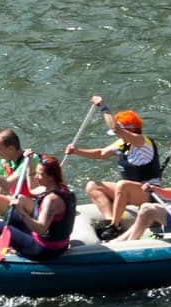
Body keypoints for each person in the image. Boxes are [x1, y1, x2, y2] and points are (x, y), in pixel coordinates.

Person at [64, 95, 162, 240]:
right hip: (131, 191)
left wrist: (103, 106)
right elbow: (101, 153)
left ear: (130, 130)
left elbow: (115, 128)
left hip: (150, 194)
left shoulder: (142, 142)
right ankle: (111, 221)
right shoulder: (123, 143)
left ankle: (115, 226)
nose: (117, 135)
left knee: (123, 184)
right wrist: (76, 151)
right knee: (93, 186)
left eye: (122, 133)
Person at [0, 155, 76, 262]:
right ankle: (10, 246)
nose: (36, 177)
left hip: (45, 250)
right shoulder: (61, 188)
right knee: (11, 215)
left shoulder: (51, 200)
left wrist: (21, 211)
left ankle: (1, 254)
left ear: (51, 177)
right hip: (57, 243)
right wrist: (30, 162)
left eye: (40, 174)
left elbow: (41, 229)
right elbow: (32, 188)